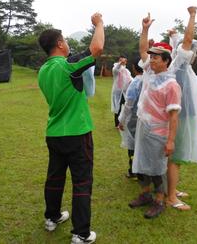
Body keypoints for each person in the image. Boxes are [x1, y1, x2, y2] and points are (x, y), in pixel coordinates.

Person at [37, 13, 104, 244]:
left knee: (54, 178)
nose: (67, 43)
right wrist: (99, 24)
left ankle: (52, 217)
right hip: (77, 133)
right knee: (82, 181)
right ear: (59, 43)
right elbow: (96, 49)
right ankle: (81, 233)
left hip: (54, 133)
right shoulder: (67, 66)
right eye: (64, 40)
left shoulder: (43, 71)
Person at [129, 13, 181, 219]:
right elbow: (142, 49)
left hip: (159, 131)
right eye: (151, 57)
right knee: (140, 162)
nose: (151, 60)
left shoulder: (171, 84)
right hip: (143, 127)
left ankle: (159, 200)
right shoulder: (149, 73)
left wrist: (170, 141)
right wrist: (144, 29)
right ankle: (144, 194)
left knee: (157, 167)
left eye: (156, 57)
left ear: (166, 61)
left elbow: (174, 116)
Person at [166, 7, 197, 211]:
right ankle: (171, 196)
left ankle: (171, 188)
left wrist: (173, 35)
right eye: (192, 50)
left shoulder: (181, 65)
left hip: (182, 114)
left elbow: (182, 44)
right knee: (175, 157)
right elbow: (188, 40)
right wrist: (192, 16)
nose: (194, 53)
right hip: (178, 116)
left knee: (176, 157)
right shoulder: (180, 65)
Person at [118, 61, 144, 179]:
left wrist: (122, 120)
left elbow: (129, 104)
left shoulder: (135, 83)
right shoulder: (149, 81)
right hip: (145, 119)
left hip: (133, 118)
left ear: (134, 68)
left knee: (132, 145)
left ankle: (134, 170)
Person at [111, 56, 133, 128]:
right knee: (118, 108)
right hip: (117, 92)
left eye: (124, 61)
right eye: (121, 60)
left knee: (127, 107)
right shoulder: (116, 69)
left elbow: (131, 80)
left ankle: (124, 122)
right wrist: (120, 63)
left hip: (125, 92)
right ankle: (117, 124)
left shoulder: (127, 71)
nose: (123, 62)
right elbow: (116, 69)